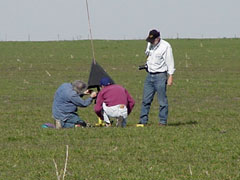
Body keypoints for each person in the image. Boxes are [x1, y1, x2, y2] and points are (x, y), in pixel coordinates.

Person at [137, 29, 175, 127]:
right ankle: (143, 121)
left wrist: (170, 76)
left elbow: (170, 62)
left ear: (158, 39)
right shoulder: (150, 44)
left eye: (153, 40)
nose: (151, 42)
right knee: (146, 100)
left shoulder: (165, 46)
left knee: (162, 100)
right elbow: (148, 55)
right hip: (149, 75)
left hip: (161, 76)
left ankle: (162, 121)